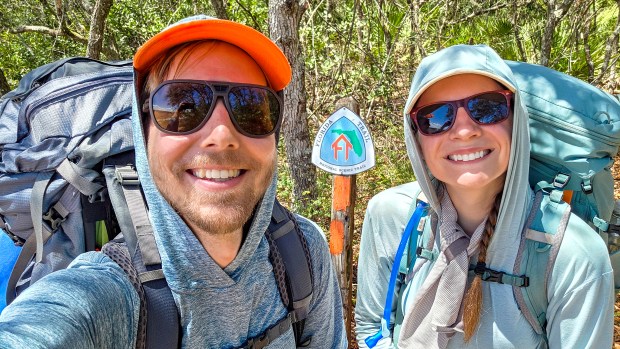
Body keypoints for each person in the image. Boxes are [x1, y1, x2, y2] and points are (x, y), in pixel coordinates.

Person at [0, 15, 347, 348]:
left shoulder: (304, 254)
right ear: (144, 132)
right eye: (182, 106)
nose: (222, 135)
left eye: (251, 107)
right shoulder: (107, 295)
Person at [355, 44, 614, 348]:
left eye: (487, 107)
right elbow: (373, 328)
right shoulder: (393, 216)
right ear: (416, 138)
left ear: (516, 120)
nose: (464, 131)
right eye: (436, 117)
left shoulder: (574, 255)